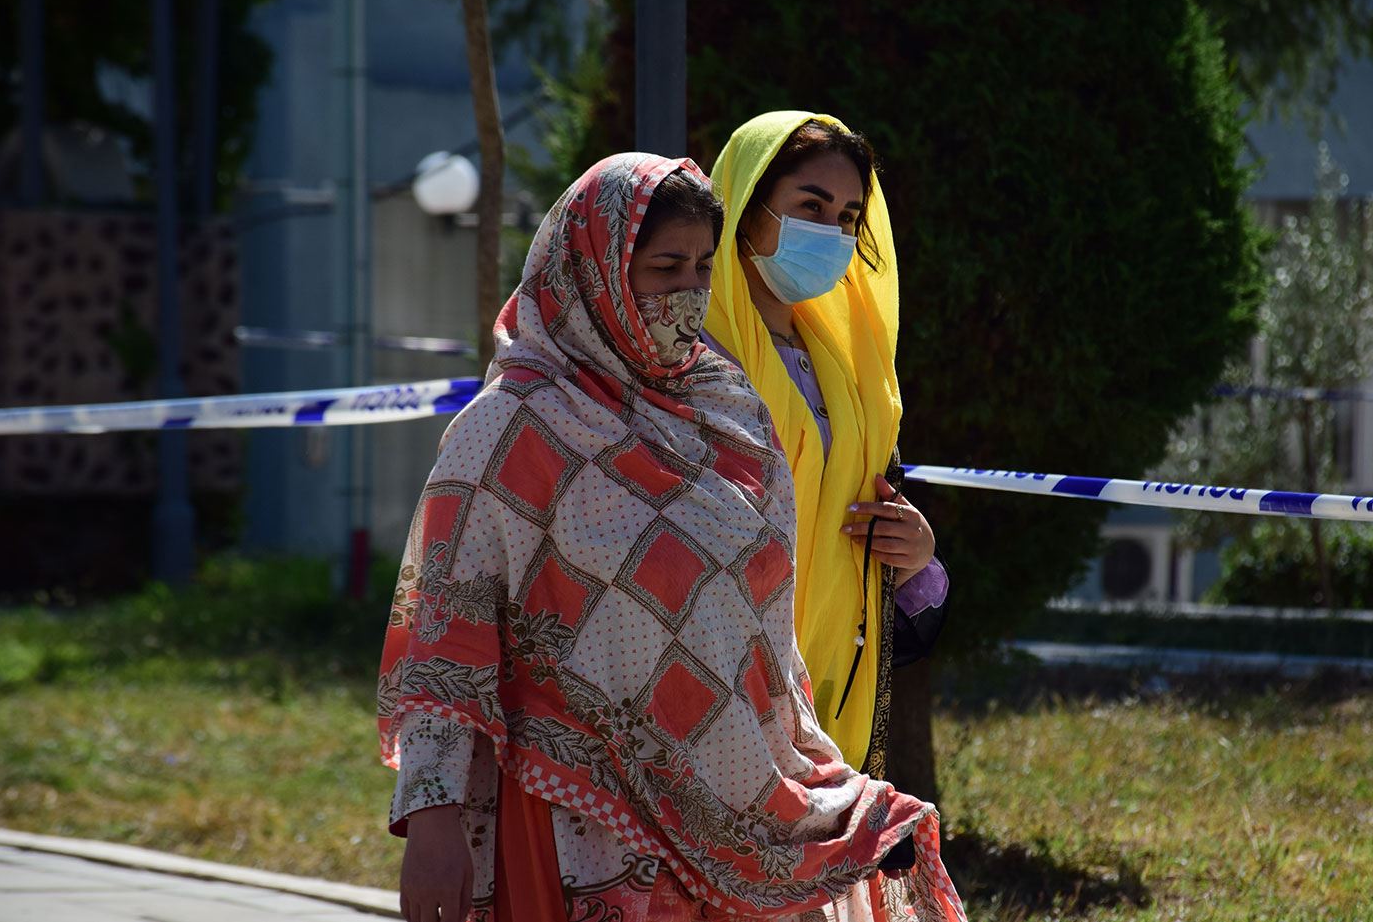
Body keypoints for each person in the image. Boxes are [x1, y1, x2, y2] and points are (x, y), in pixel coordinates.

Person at [379, 152, 966, 922]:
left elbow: (763, 638)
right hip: (573, 821)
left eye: (700, 268)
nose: (687, 294)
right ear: (593, 267)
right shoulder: (507, 429)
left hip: (730, 803)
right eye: (663, 267)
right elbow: (444, 642)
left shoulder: (728, 414)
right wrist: (431, 822)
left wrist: (808, 777)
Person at [702, 112, 949, 778]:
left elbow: (868, 519)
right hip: (711, 690)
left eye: (846, 216)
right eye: (810, 205)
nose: (832, 231)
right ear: (745, 209)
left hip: (828, 698)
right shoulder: (690, 359)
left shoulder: (850, 374)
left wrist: (917, 558)